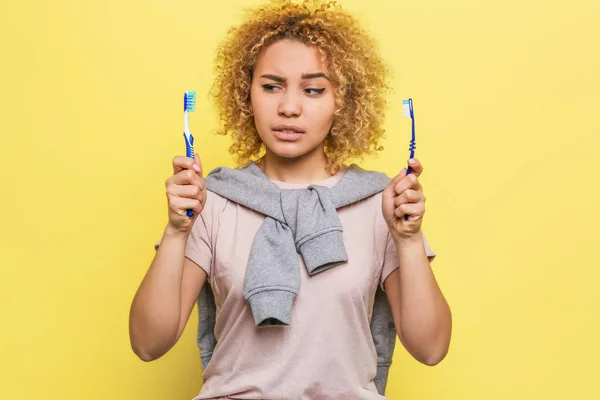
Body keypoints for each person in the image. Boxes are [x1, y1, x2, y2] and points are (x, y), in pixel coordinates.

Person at [128, 0, 452, 399]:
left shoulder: (380, 204)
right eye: (271, 86)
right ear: (247, 94)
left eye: (313, 90)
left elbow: (431, 348)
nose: (289, 108)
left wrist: (407, 239)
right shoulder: (211, 201)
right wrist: (177, 231)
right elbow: (147, 343)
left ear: (341, 101)